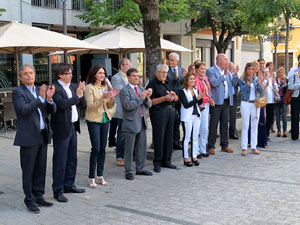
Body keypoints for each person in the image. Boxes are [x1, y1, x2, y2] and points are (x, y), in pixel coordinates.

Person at [12, 65, 56, 213]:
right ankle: (29, 199)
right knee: (29, 170)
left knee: (40, 169)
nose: (29, 75)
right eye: (25, 74)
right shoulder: (18, 92)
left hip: (42, 135)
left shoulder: (39, 90)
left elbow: (51, 110)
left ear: (35, 75)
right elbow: (23, 110)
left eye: (31, 73)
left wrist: (49, 99)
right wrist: (40, 98)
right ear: (20, 77)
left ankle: (39, 196)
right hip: (28, 136)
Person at [51, 63, 86, 203]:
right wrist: (77, 96)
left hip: (73, 127)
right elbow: (62, 105)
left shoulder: (72, 86)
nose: (71, 75)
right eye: (68, 73)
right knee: (60, 160)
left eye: (71, 73)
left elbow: (80, 104)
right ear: (60, 74)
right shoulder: (55, 88)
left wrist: (81, 94)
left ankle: (69, 184)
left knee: (72, 159)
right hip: (61, 128)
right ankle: (57, 189)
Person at [85, 65, 117, 188]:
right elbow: (90, 107)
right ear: (94, 74)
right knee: (96, 148)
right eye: (100, 73)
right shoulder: (89, 88)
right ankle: (91, 177)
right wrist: (101, 98)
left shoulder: (104, 87)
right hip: (93, 120)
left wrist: (111, 99)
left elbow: (108, 106)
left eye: (103, 73)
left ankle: (100, 175)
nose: (102, 75)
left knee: (103, 149)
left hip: (105, 119)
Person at [119, 68, 153, 180]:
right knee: (129, 149)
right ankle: (128, 170)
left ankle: (140, 168)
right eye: (134, 76)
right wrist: (141, 98)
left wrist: (147, 98)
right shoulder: (124, 90)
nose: (136, 78)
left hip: (142, 121)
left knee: (141, 147)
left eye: (138, 76)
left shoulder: (141, 88)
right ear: (128, 77)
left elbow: (149, 104)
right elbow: (127, 106)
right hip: (131, 123)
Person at [147, 64, 178, 173]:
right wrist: (164, 98)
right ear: (157, 73)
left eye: (166, 72)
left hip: (169, 111)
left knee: (169, 137)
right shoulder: (152, 84)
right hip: (158, 113)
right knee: (159, 137)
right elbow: (150, 101)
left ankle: (167, 161)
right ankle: (157, 162)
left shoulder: (169, 82)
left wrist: (173, 96)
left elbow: (176, 97)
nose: (165, 75)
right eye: (163, 72)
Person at [206, 54, 238, 155]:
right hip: (216, 101)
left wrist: (235, 74)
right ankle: (210, 146)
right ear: (219, 61)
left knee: (225, 124)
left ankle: (225, 145)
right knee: (213, 124)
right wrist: (223, 75)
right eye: (225, 59)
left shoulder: (227, 72)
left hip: (226, 101)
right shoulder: (211, 70)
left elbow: (233, 83)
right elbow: (214, 83)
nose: (227, 61)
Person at [179, 73, 204, 166]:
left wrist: (200, 97)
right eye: (191, 79)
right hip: (188, 116)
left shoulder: (195, 89)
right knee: (187, 137)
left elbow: (198, 102)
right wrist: (197, 99)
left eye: (194, 79)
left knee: (195, 136)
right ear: (186, 80)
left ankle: (194, 156)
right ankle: (186, 157)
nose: (193, 81)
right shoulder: (182, 91)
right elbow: (186, 104)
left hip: (196, 115)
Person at [111, 58, 132, 166]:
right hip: (121, 109)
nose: (129, 66)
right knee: (122, 133)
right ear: (122, 66)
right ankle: (120, 155)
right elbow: (120, 91)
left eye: (130, 65)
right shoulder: (116, 78)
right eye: (128, 65)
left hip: (131, 108)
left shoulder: (132, 77)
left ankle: (129, 154)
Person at [239, 63, 263, 156]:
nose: (251, 71)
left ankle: (254, 147)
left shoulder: (256, 79)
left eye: (253, 69)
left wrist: (260, 82)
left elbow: (260, 91)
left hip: (255, 104)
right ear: (246, 70)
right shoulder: (242, 79)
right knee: (245, 126)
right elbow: (243, 90)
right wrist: (249, 83)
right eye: (249, 69)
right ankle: (244, 147)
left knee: (255, 125)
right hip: (245, 102)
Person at [167, 52, 187, 150]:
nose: (170, 62)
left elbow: (184, 84)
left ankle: (177, 141)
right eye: (169, 60)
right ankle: (171, 141)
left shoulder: (182, 70)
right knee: (171, 121)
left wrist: (183, 77)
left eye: (172, 60)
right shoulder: (166, 71)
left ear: (177, 61)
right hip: (171, 99)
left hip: (180, 100)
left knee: (178, 121)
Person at [194, 61, 214, 158]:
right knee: (197, 128)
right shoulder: (196, 79)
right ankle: (196, 151)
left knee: (205, 128)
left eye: (204, 69)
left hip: (206, 104)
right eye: (201, 68)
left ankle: (203, 149)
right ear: (197, 69)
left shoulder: (205, 79)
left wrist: (210, 98)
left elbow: (208, 91)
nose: (203, 71)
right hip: (199, 104)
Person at [263, 68, 278, 140]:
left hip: (271, 102)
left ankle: (267, 133)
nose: (266, 73)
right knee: (264, 119)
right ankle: (264, 134)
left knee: (270, 119)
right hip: (264, 103)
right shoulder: (262, 80)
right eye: (265, 72)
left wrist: (274, 85)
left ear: (269, 73)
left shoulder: (272, 80)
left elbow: (276, 91)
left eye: (267, 72)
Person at [274, 67, 288, 137]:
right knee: (277, 115)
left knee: (284, 116)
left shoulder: (286, 80)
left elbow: (288, 88)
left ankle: (285, 130)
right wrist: (278, 85)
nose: (280, 73)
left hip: (284, 100)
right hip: (277, 100)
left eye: (282, 72)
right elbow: (274, 90)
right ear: (277, 73)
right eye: (279, 72)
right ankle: (279, 130)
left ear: (283, 73)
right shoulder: (275, 80)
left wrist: (284, 84)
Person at [288, 64, 300, 140]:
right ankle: (294, 135)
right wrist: (298, 85)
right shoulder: (293, 76)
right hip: (295, 98)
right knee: (295, 117)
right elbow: (290, 87)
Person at [228, 62, 240, 139]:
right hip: (227, 97)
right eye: (229, 66)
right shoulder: (226, 74)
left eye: (232, 66)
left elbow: (236, 84)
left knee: (233, 115)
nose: (231, 68)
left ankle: (232, 132)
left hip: (233, 97)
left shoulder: (235, 75)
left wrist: (235, 75)